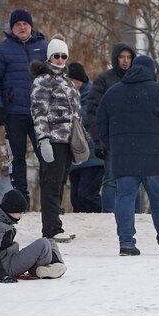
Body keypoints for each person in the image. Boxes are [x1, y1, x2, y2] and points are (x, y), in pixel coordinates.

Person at [96, 54, 159, 256]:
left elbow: (100, 124)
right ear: (151, 71)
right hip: (156, 157)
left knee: (125, 197)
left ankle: (126, 243)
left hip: (124, 158)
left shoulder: (113, 92)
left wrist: (113, 147)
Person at [0, 8, 49, 197]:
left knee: (47, 156)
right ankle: (20, 197)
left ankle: (49, 198)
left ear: (31, 26)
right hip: (14, 113)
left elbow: (58, 77)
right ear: (12, 28)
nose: (22, 27)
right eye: (18, 24)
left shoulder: (45, 48)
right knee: (17, 157)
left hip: (41, 113)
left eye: (25, 24)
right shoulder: (1, 50)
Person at [30, 39, 79, 242]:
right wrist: (43, 139)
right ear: (49, 57)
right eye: (56, 56)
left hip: (67, 140)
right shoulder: (42, 81)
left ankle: (55, 225)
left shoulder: (67, 81)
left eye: (63, 56)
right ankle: (50, 228)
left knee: (59, 185)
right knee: (51, 185)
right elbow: (38, 112)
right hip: (53, 139)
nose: (59, 60)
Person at [85, 43, 137, 212]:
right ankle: (108, 216)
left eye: (129, 57)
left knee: (136, 178)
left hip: (135, 137)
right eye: (122, 57)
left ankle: (136, 215)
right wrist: (98, 139)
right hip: (112, 137)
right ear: (116, 58)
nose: (125, 61)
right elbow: (93, 111)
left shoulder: (138, 78)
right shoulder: (104, 79)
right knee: (111, 179)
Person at [0, 189, 67, 282]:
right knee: (43, 244)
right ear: (10, 209)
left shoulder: (2, 218)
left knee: (50, 241)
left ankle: (56, 265)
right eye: (19, 212)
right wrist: (1, 274)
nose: (21, 216)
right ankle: (38, 270)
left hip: (10, 260)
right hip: (8, 267)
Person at [67, 62, 104, 213]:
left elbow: (85, 119)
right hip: (76, 158)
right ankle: (85, 229)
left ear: (79, 81)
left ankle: (102, 218)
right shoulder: (70, 95)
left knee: (86, 197)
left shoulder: (92, 95)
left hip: (92, 158)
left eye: (71, 81)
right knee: (76, 200)